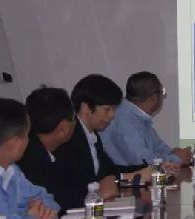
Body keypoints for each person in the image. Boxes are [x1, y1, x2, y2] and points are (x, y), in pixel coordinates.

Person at [53, 74, 150, 211]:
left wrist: (148, 169)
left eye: (114, 109)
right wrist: (131, 176)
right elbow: (83, 184)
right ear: (86, 108)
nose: (112, 115)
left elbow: (109, 171)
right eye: (107, 109)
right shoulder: (69, 138)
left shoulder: (92, 134)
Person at [101, 72, 189, 172]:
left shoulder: (138, 116)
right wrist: (176, 158)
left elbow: (158, 146)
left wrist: (174, 153)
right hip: (125, 179)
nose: (162, 96)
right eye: (162, 92)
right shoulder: (124, 119)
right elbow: (142, 162)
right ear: (153, 98)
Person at [18, 87, 76, 198]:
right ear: (64, 128)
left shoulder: (51, 149)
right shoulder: (31, 162)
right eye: (74, 118)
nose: (75, 123)